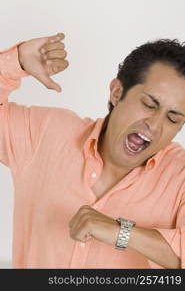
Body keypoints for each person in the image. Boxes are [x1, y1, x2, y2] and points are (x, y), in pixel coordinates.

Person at [0, 33, 184, 269]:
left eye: (173, 118)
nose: (156, 126)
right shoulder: (45, 134)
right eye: (149, 105)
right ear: (117, 93)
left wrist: (120, 232)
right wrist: (16, 61)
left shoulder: (180, 176)